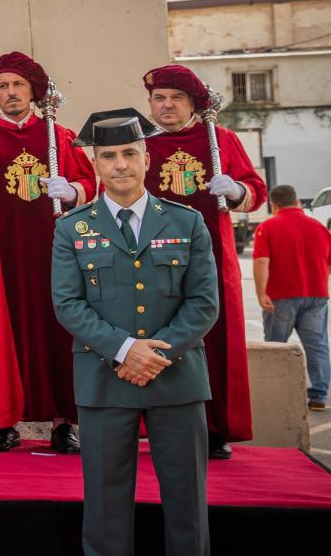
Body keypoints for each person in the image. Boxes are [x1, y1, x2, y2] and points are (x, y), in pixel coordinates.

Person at [51, 108, 226, 556]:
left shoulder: (186, 221)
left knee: (186, 494)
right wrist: (125, 349)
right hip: (106, 379)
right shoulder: (71, 228)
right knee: (105, 494)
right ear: (95, 163)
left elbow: (203, 303)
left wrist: (158, 352)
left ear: (147, 158)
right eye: (109, 156)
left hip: (176, 378)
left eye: (130, 153)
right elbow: (67, 304)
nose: (121, 164)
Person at [0, 51, 96, 454]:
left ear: (33, 90)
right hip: (2, 258)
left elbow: (90, 182)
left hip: (57, 254)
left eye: (18, 85)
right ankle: (3, 423)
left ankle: (63, 423)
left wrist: (73, 191)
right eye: (3, 86)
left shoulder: (60, 137)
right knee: (0, 339)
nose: (10, 92)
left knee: (59, 335)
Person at [142, 65, 267, 458]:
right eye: (159, 98)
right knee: (157, 335)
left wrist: (236, 190)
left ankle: (216, 428)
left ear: (193, 103)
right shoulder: (140, 143)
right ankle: (156, 425)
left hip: (210, 256)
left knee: (214, 340)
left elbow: (256, 191)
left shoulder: (221, 139)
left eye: (176, 98)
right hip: (154, 260)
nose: (166, 105)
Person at [253, 184, 331, 412]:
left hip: (281, 296)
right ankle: (318, 395)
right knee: (317, 346)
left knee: (276, 346)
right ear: (297, 201)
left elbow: (261, 262)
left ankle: (274, 393)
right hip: (316, 295)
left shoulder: (268, 226)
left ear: (274, 204)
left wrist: (261, 293)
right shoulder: (318, 227)